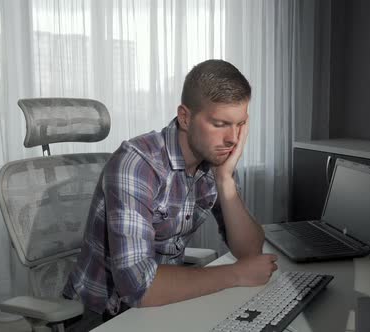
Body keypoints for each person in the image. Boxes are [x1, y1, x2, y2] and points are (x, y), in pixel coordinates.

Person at [63, 59, 278, 329]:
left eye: (240, 125)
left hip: (163, 303)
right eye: (221, 123)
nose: (233, 139)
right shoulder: (137, 164)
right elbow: (138, 286)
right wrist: (235, 274)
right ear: (185, 117)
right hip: (108, 314)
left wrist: (225, 180)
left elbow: (250, 251)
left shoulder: (214, 159)